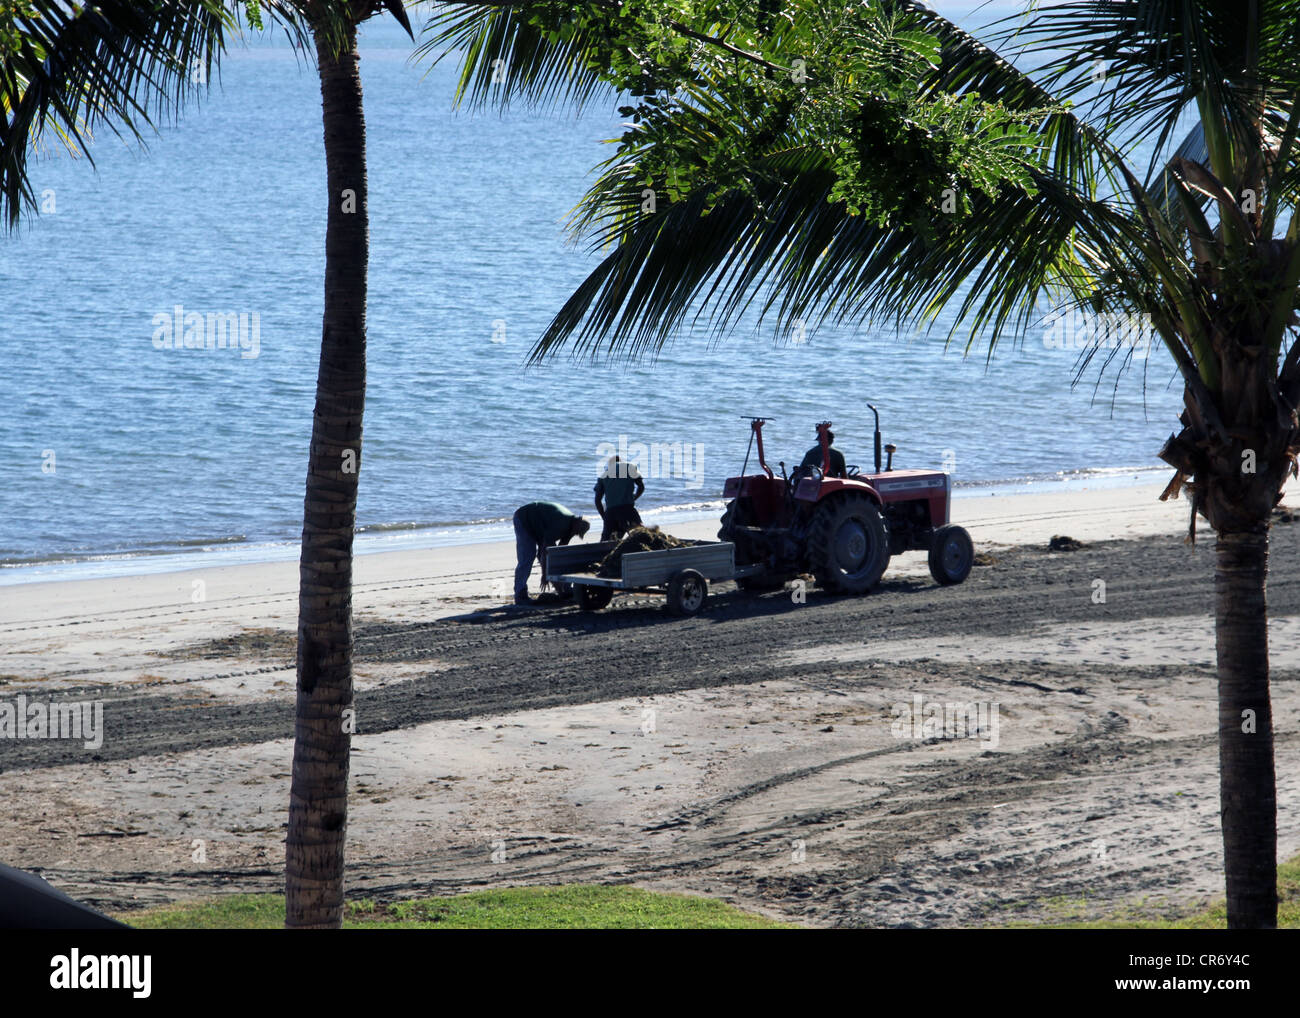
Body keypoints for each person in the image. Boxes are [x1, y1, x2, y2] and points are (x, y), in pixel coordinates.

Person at [512, 501, 590, 605]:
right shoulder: (561, 524)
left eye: (578, 534)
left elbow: (559, 553)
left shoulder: (572, 526)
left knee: (552, 558)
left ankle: (564, 589)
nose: (575, 534)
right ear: (577, 524)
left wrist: (560, 588)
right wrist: (545, 575)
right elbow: (546, 550)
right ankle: (520, 594)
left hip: (540, 525)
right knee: (527, 557)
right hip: (524, 518)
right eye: (577, 532)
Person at [594, 455, 645, 542]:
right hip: (628, 510)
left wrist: (604, 516)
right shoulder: (630, 467)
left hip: (611, 513)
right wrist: (634, 498)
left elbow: (597, 500)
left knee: (606, 542)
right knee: (641, 536)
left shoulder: (603, 475)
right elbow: (641, 487)